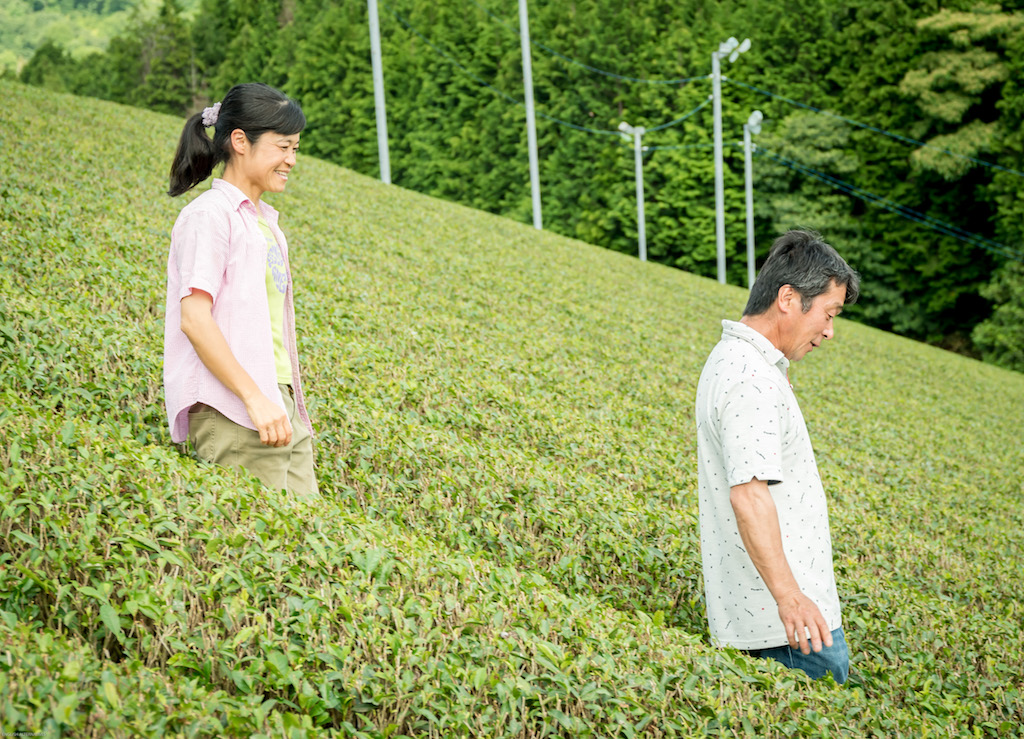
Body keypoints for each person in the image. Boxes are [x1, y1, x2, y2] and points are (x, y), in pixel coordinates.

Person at [694, 229, 860, 683]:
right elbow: (749, 495)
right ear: (788, 298)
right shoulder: (750, 378)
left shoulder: (744, 364)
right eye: (828, 313)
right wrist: (791, 597)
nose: (829, 331)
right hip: (789, 630)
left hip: (779, 622)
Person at [163, 82, 318, 499]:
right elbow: (194, 320)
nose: (292, 160)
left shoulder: (265, 223)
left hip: (277, 402)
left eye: (296, 148)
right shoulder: (209, 217)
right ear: (240, 141)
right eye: (283, 147)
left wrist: (277, 401)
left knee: (306, 544)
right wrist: (255, 398)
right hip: (236, 408)